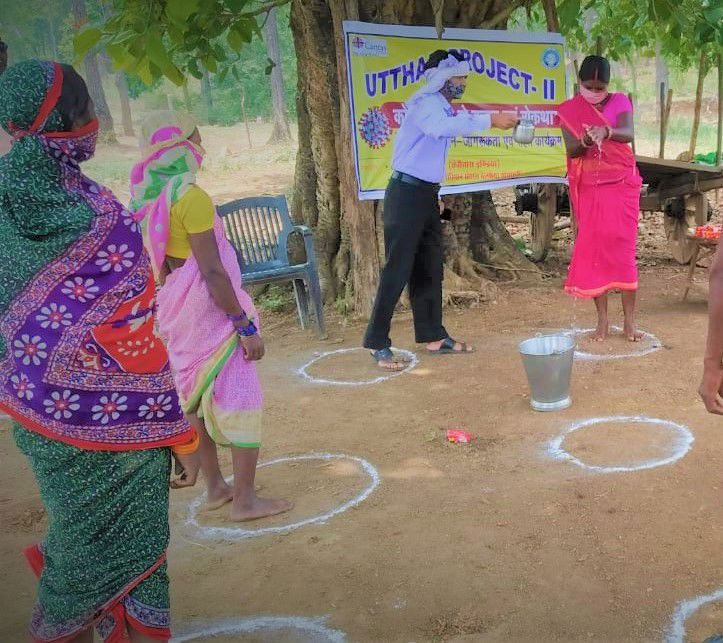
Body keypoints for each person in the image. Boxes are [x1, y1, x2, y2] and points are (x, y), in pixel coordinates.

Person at [0, 61, 199, 642]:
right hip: (121, 432)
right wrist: (179, 433)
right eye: (87, 110)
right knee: (112, 560)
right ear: (60, 123)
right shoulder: (100, 218)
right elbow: (134, 338)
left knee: (79, 542)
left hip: (37, 419)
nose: (96, 121)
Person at [129, 112, 293, 522]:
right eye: (197, 139)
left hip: (175, 311)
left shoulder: (146, 199)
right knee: (241, 397)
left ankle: (216, 489)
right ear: (183, 147)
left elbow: (164, 265)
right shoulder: (191, 198)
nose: (201, 147)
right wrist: (243, 324)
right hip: (211, 313)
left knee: (195, 398)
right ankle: (244, 500)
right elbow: (212, 271)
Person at [362, 49, 518, 370]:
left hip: (426, 195)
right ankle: (377, 341)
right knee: (398, 268)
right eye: (459, 77)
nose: (463, 82)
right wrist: (491, 120)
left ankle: (433, 335)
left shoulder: (444, 107)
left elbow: (433, 151)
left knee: (430, 266)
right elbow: (440, 129)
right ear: (443, 78)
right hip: (404, 195)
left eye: (464, 77)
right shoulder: (425, 103)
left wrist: (436, 193)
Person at [558, 55, 643, 342]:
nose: (593, 91)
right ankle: (603, 322)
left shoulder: (620, 102)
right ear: (579, 83)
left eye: (599, 86)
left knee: (623, 251)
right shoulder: (570, 110)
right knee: (595, 253)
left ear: (608, 85)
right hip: (591, 189)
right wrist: (585, 139)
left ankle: (630, 322)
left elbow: (628, 133)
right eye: (588, 85)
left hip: (621, 186)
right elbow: (571, 150)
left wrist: (606, 131)